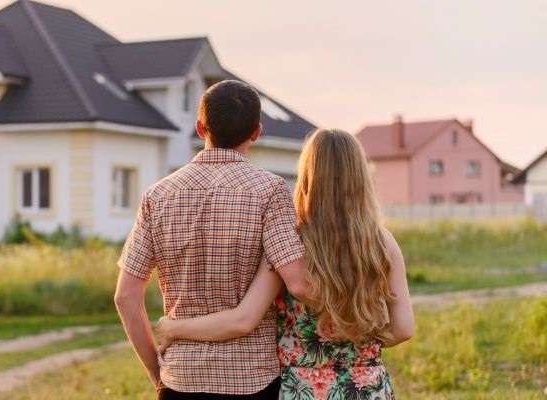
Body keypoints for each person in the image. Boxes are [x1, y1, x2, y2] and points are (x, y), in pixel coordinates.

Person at [156, 128, 415, 399]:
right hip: (368, 386)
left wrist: (174, 328)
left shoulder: (288, 244)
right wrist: (358, 342)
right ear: (360, 177)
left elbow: (242, 320)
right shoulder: (383, 244)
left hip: (303, 389)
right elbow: (403, 329)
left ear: (307, 177)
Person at [115, 80, 311, 399]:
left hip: (179, 377)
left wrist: (158, 374)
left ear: (200, 128)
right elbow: (298, 283)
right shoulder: (271, 191)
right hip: (253, 378)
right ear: (256, 132)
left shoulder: (157, 195)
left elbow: (125, 297)